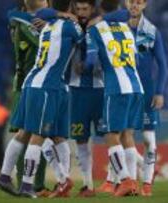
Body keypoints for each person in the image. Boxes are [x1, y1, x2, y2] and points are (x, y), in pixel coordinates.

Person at [0, 0, 84, 198]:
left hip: (36, 82)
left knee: (27, 132)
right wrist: (71, 18)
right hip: (45, 86)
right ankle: (27, 185)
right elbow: (82, 37)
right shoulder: (68, 27)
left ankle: (6, 177)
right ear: (70, 7)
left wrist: (56, 14)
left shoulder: (46, 26)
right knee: (38, 135)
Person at [97, 0, 168, 197]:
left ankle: (146, 183)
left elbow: (163, 65)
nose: (134, 6)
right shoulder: (118, 27)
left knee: (147, 139)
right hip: (122, 88)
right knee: (120, 134)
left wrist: (160, 91)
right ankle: (119, 180)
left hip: (145, 92)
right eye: (130, 2)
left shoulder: (152, 31)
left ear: (144, 5)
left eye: (138, 2)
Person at [84, 0, 144, 197]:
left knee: (110, 135)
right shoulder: (126, 27)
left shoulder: (95, 29)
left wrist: (85, 68)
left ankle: (125, 180)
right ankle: (132, 182)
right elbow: (134, 58)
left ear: (99, 8)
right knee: (127, 135)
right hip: (136, 87)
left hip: (117, 88)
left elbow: (91, 61)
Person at [7, 0, 51, 197]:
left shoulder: (40, 19)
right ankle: (21, 181)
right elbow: (44, 42)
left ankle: (37, 184)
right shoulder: (19, 20)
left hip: (41, 83)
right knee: (25, 134)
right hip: (25, 83)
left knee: (38, 134)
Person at [65, 0, 103, 197]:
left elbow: (122, 15)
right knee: (80, 139)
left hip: (100, 89)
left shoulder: (100, 25)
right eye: (78, 9)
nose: (81, 13)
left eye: (85, 9)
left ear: (92, 9)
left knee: (113, 136)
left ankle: (123, 178)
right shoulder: (69, 27)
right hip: (77, 91)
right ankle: (88, 185)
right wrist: (63, 15)